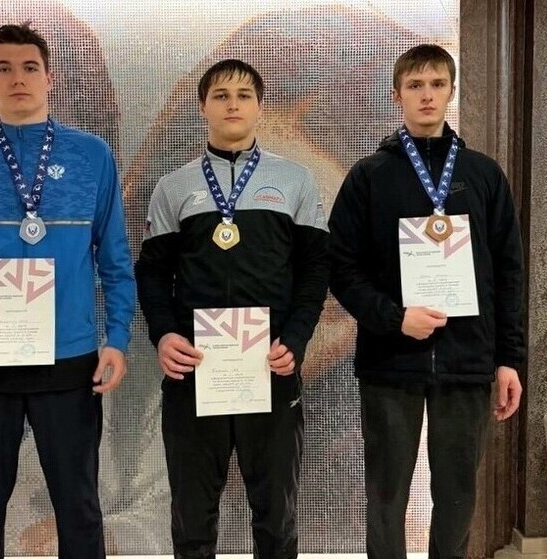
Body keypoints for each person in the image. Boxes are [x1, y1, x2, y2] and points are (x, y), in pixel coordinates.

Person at [0, 22, 135, 559]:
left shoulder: (92, 156)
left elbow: (114, 258)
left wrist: (117, 338)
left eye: (30, 67)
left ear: (49, 78)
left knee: (79, 507)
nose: (18, 78)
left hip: (69, 359)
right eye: (4, 68)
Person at [328, 44, 524, 559]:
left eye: (437, 84)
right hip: (390, 360)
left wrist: (509, 359)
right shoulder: (369, 176)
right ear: (397, 95)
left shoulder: (483, 175)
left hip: (467, 360)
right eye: (415, 85)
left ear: (451, 91)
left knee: (457, 495)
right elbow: (340, 267)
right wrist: (394, 318)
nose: (427, 95)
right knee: (386, 494)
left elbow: (509, 274)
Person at [135, 59, 329, 559]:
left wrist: (296, 340)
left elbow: (314, 272)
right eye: (220, 95)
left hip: (270, 367)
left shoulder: (295, 180)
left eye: (244, 95)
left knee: (277, 515)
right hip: (195, 371)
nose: (233, 104)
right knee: (192, 515)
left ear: (260, 106)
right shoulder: (173, 187)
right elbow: (152, 274)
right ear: (203, 107)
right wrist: (164, 335)